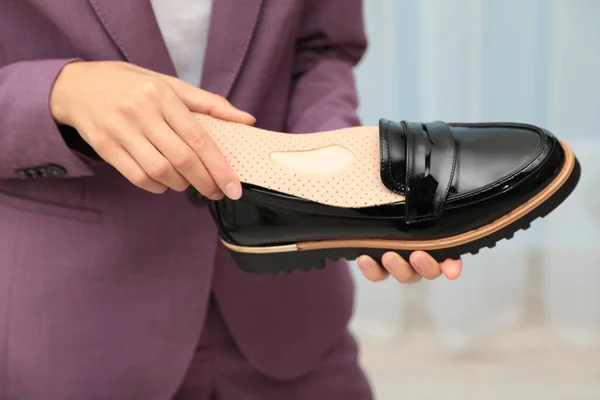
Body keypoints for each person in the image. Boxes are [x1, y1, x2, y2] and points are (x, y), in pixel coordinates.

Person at [0, 1, 462, 398]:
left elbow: (321, 49)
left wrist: (334, 172)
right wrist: (60, 92)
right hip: (72, 333)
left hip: (289, 318)